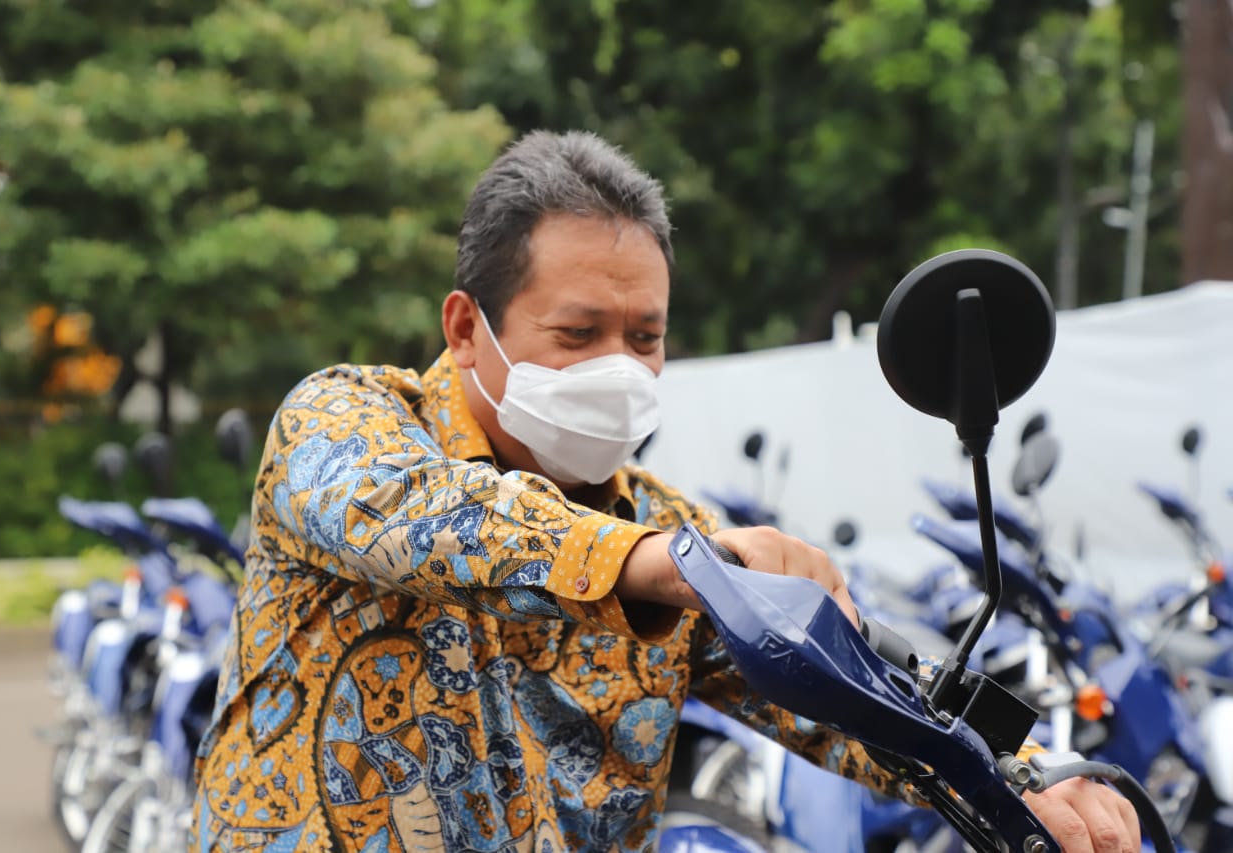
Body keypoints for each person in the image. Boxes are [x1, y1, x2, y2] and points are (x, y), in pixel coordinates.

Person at [192, 130, 1141, 852]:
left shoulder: (674, 530)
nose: (620, 366)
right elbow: (421, 519)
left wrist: (1026, 777)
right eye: (578, 332)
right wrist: (679, 564)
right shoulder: (342, 422)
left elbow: (849, 701)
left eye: (643, 337)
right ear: (466, 327)